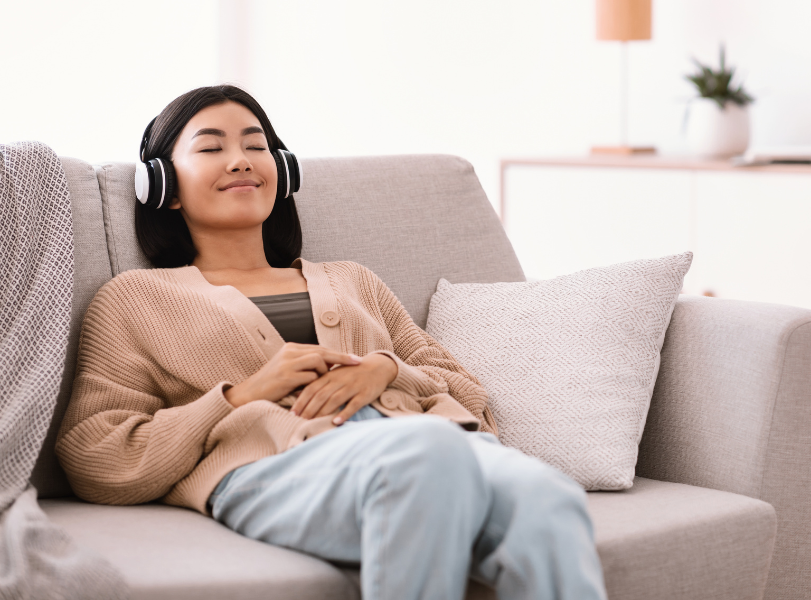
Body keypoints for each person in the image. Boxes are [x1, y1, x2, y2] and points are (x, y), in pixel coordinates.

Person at [56, 85, 608, 600]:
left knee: (549, 498)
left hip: (435, 445)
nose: (242, 159)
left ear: (283, 171)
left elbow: (466, 390)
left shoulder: (352, 279)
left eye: (257, 146)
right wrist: (243, 395)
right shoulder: (134, 299)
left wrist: (387, 370)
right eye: (212, 147)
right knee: (427, 454)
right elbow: (95, 452)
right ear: (164, 186)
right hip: (278, 468)